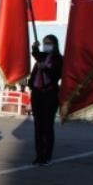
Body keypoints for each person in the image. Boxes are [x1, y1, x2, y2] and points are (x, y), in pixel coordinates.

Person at [29, 34, 63, 166]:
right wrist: (35, 46)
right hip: (37, 94)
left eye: (48, 43)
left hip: (50, 94)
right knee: (38, 126)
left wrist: (46, 69)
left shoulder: (58, 59)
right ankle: (39, 155)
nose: (46, 45)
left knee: (47, 126)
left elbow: (56, 75)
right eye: (44, 43)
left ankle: (47, 155)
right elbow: (36, 54)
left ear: (54, 45)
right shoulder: (42, 57)